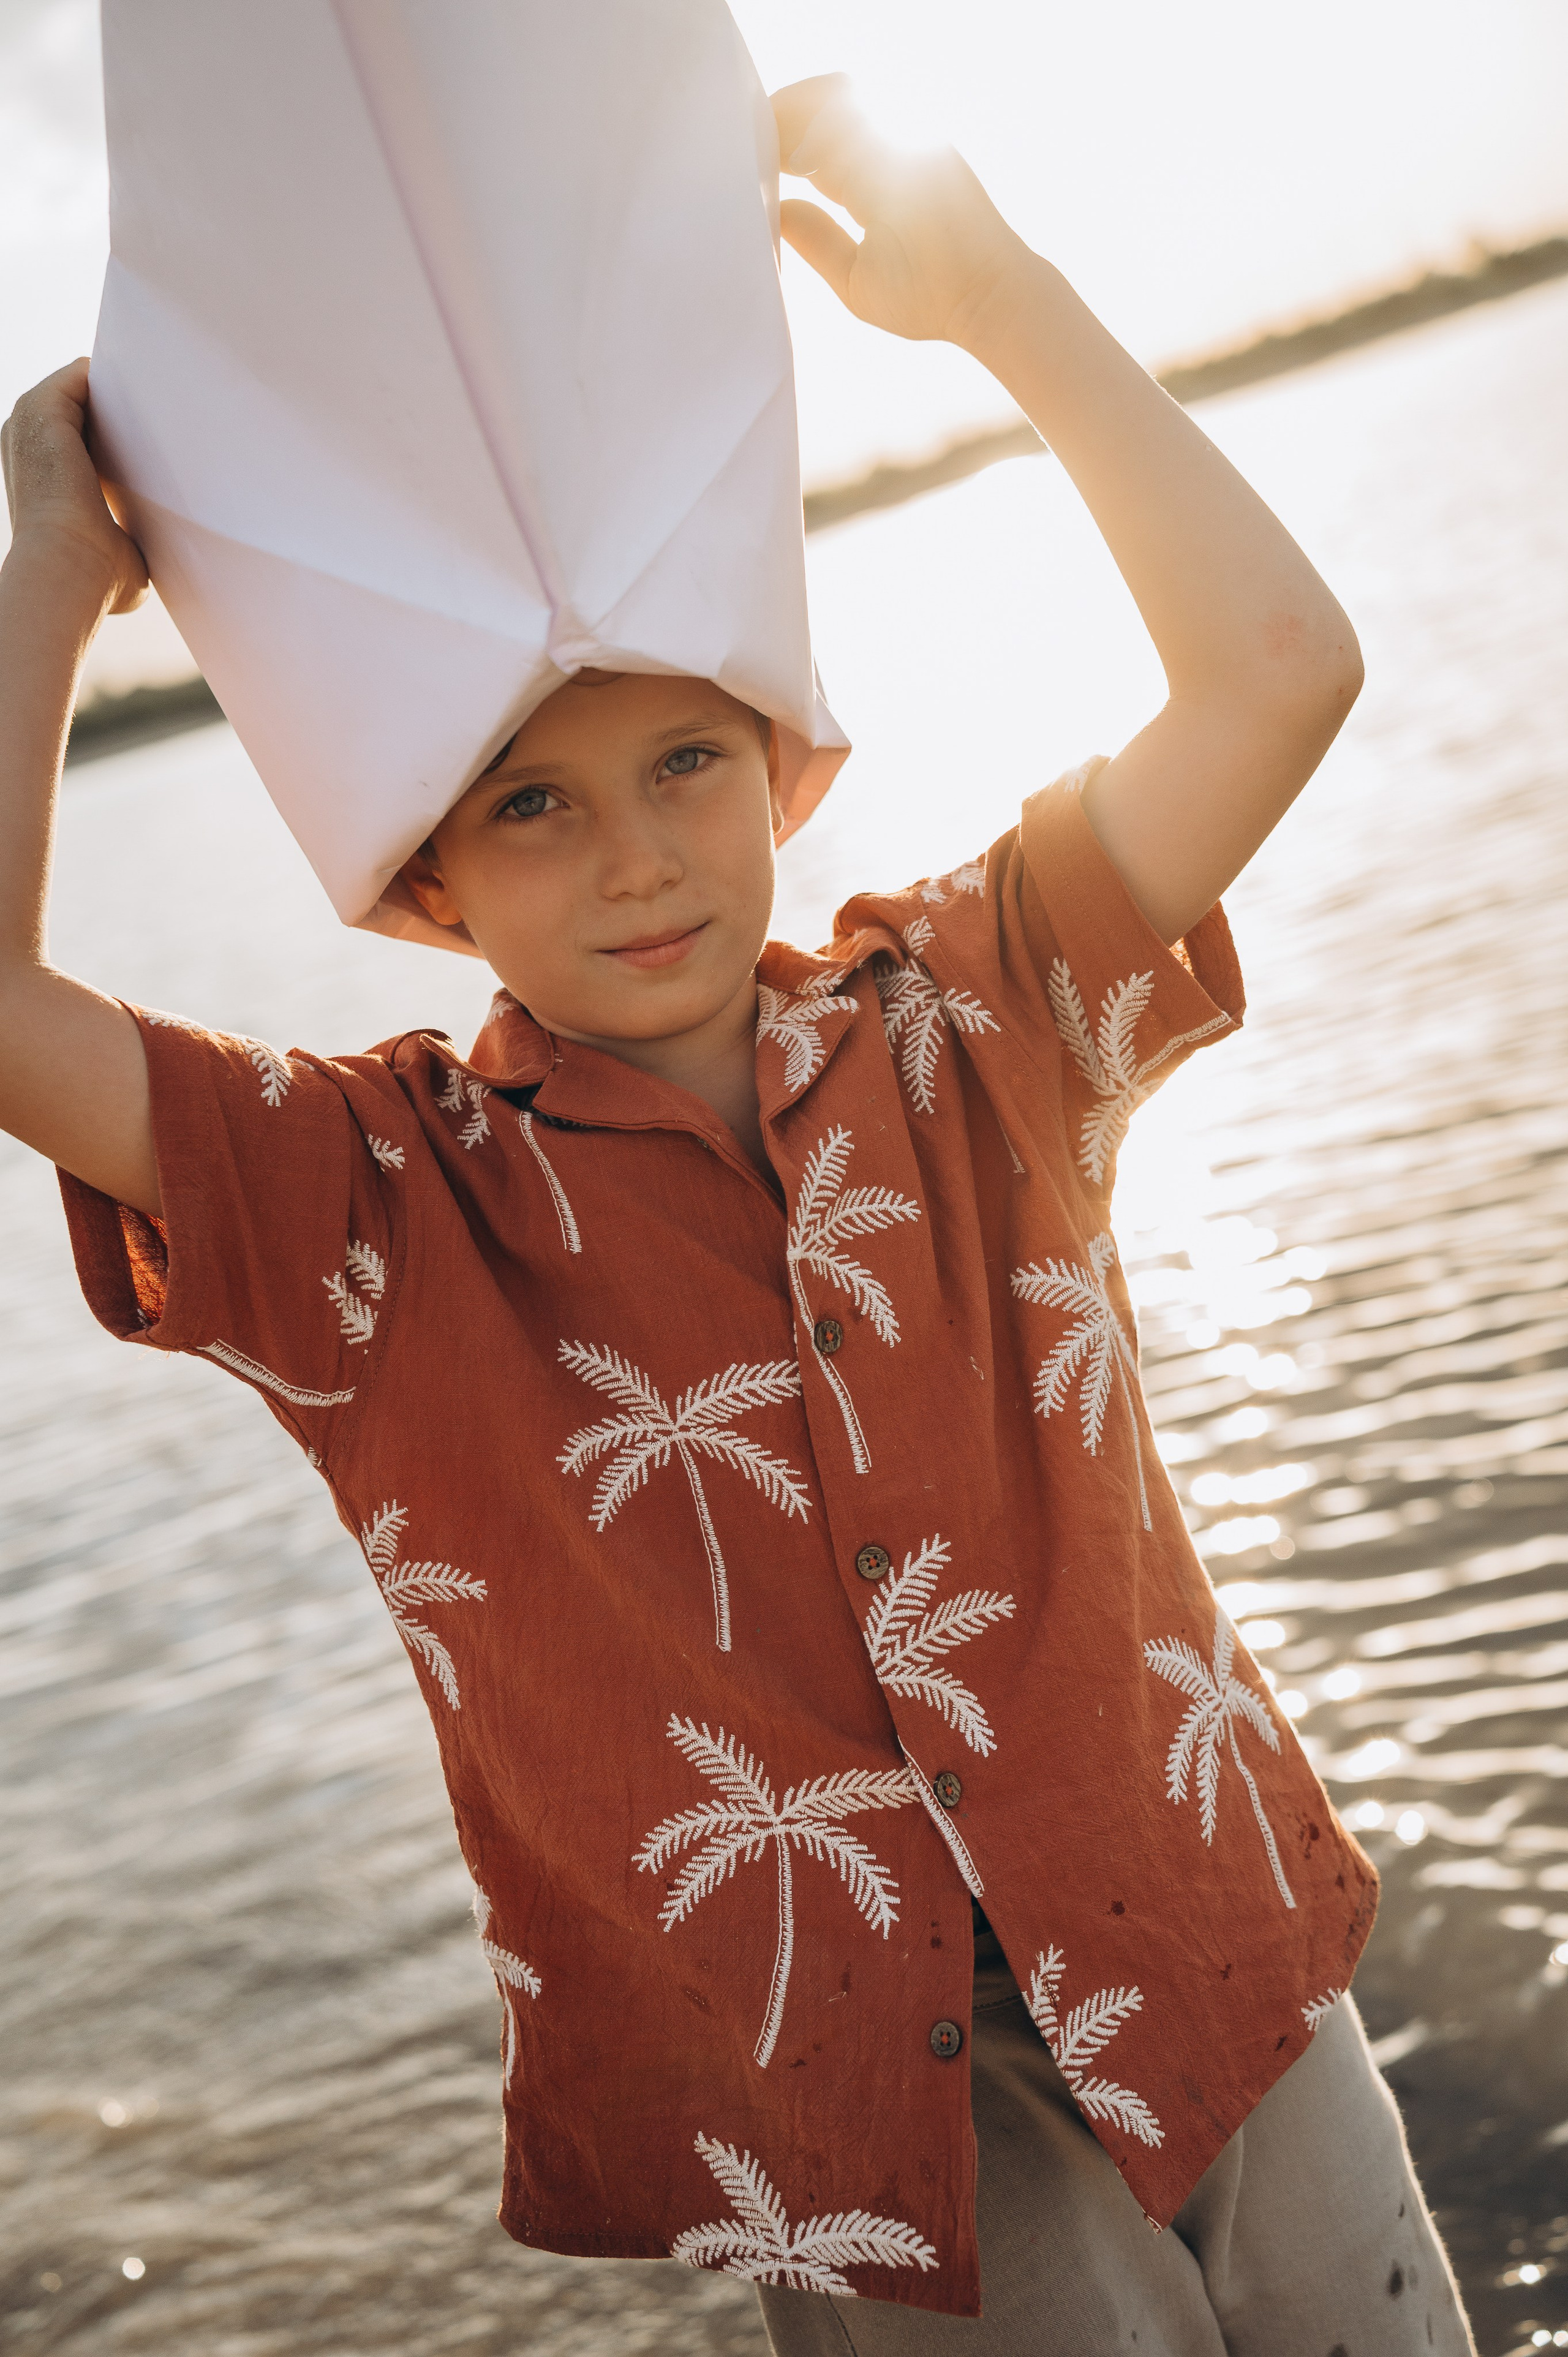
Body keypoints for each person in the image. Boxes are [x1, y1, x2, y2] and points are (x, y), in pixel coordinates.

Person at [0, 73, 1474, 2357]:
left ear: (787, 759)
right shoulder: (370, 1204)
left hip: (1208, 1938)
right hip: (877, 2120)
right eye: (533, 805)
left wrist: (993, 297)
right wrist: (43, 567)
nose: (636, 856)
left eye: (687, 758)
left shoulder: (978, 1004)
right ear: (426, 876)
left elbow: (1283, 673)